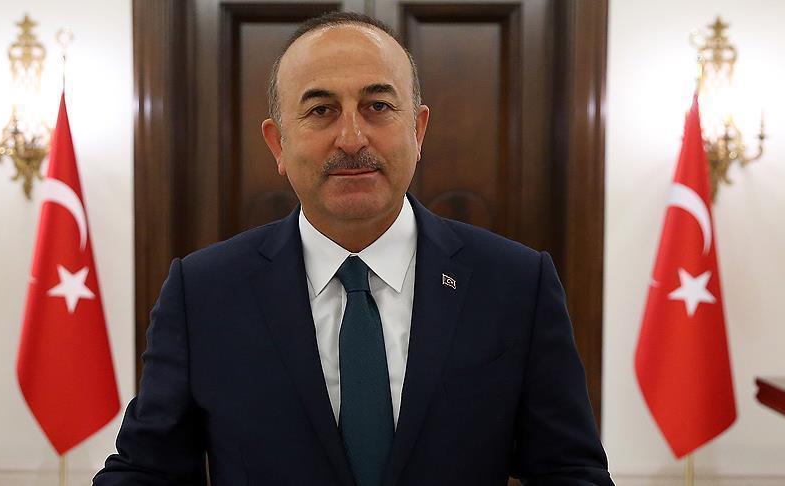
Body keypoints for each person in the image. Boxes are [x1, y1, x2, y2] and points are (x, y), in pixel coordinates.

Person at [94, 12, 613, 486]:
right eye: (321, 110)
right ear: (278, 144)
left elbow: (570, 473)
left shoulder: (516, 283)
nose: (351, 137)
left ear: (418, 130)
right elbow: (147, 471)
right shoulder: (203, 293)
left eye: (378, 106)